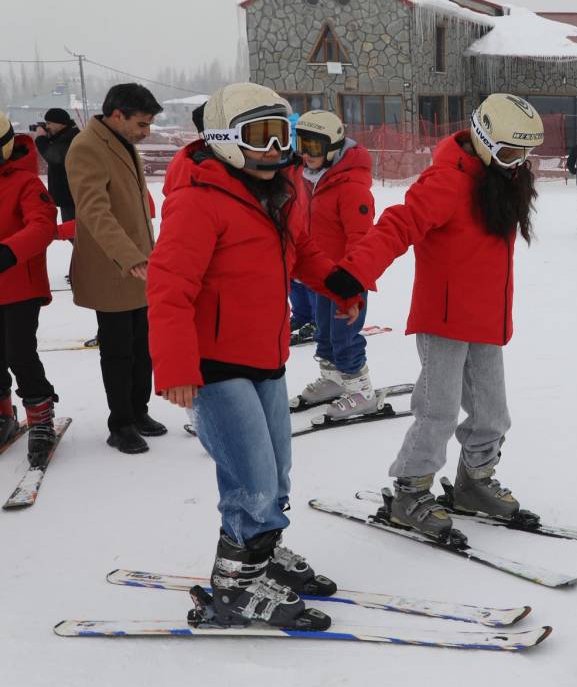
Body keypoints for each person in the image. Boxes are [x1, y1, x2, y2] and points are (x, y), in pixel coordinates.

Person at [148, 83, 357, 630]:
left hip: (266, 355)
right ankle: (236, 585)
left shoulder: (278, 191)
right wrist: (175, 370)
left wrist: (340, 284)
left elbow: (302, 251)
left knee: (276, 475)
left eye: (282, 134)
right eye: (258, 137)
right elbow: (168, 288)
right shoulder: (198, 200)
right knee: (251, 479)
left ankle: (260, 554)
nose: (275, 148)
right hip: (214, 367)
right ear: (224, 141)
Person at [323, 93, 542, 541]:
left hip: (485, 319)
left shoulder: (497, 179)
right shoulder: (448, 181)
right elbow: (397, 225)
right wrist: (353, 275)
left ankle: (473, 484)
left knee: (492, 413)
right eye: (508, 152)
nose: (516, 163)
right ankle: (410, 490)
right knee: (436, 411)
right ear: (482, 139)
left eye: (524, 154)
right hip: (443, 320)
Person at [65, 83, 165, 454]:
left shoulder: (122, 141)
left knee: (143, 346)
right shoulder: (87, 147)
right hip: (113, 268)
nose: (146, 132)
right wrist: (130, 255)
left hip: (139, 266)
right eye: (141, 124)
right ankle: (120, 423)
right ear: (117, 115)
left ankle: (139, 412)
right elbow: (94, 211)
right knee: (119, 349)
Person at [290, 110, 379, 420]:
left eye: (315, 147)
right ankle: (334, 380)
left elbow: (363, 239)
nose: (306, 153)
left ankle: (362, 390)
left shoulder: (351, 186)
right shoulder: (306, 178)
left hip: (347, 279)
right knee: (325, 334)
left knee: (345, 336)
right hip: (321, 277)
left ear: (333, 147)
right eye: (302, 144)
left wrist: (354, 281)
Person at [0, 112, 59, 463]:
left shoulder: (25, 183)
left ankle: (40, 415)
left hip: (20, 286)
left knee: (20, 352)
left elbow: (42, 226)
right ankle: (4, 413)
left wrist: (9, 251)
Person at [33, 108, 80, 226]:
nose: (47, 127)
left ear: (60, 124)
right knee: (73, 233)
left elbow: (53, 157)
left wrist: (40, 138)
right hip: (69, 197)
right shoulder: (66, 135)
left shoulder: (71, 138)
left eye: (49, 123)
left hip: (72, 197)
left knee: (74, 232)